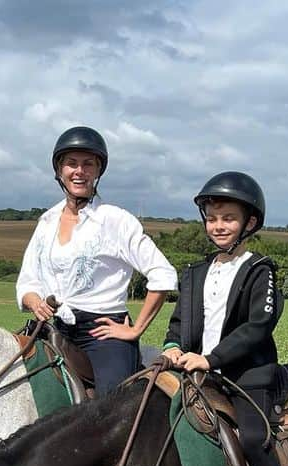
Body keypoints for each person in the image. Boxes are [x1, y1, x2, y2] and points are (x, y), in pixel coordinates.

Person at [162, 171, 288, 466]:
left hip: (245, 374)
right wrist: (172, 347)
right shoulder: (194, 273)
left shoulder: (260, 270)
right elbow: (178, 322)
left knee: (253, 438)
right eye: (212, 217)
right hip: (196, 372)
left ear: (249, 223)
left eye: (228, 218)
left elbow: (259, 326)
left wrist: (211, 359)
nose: (218, 226)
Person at [16, 126, 177, 396]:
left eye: (88, 164)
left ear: (98, 171)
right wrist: (34, 301)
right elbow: (28, 279)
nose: (79, 171)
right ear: (59, 171)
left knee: (111, 411)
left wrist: (135, 330)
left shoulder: (115, 220)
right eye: (71, 163)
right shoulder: (46, 222)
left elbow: (163, 274)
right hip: (55, 328)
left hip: (103, 335)